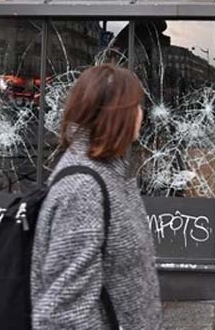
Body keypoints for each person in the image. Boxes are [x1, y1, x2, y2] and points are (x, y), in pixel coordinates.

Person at [31, 64, 162, 329]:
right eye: (136, 106)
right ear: (117, 114)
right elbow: (62, 315)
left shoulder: (110, 173)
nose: (142, 113)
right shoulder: (83, 189)